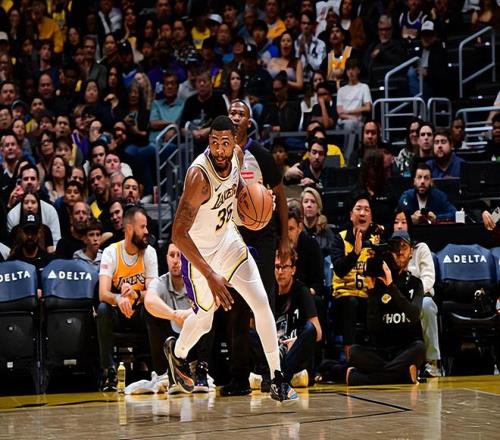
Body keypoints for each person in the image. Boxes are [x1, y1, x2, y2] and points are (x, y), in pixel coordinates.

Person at [166, 115, 297, 402]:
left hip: (227, 242)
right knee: (205, 321)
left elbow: (237, 197)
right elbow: (178, 234)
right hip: (199, 255)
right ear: (209, 142)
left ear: (235, 141)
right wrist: (210, 274)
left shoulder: (237, 156)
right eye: (214, 143)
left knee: (261, 302)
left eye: (225, 142)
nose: (220, 149)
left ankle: (277, 378)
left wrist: (261, 201)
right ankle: (177, 354)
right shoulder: (199, 177)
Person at [221, 100, 290, 396]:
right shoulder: (219, 157)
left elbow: (280, 196)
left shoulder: (260, 155)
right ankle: (238, 379)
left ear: (249, 122)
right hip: (233, 237)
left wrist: (284, 238)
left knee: (263, 304)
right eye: (232, 113)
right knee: (235, 308)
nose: (236, 117)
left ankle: (268, 374)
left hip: (262, 238)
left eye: (241, 114)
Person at [346, 230, 426, 385]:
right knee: (354, 352)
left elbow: (414, 315)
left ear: (411, 252)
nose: (400, 252)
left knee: (420, 348)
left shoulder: (415, 283)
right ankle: (403, 376)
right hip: (382, 351)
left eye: (404, 247)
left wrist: (391, 287)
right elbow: (373, 329)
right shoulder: (378, 284)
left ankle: (362, 379)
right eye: (396, 248)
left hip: (405, 348)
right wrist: (372, 292)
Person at [97, 207, 158, 391]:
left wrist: (136, 295)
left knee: (153, 308)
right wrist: (118, 298)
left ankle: (157, 370)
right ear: (130, 229)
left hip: (140, 311)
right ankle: (109, 372)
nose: (147, 231)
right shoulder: (111, 252)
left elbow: (153, 292)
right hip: (119, 313)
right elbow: (103, 293)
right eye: (143, 227)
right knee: (102, 309)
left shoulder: (149, 252)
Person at [144, 242, 214, 394]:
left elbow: (215, 302)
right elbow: (149, 300)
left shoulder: (197, 280)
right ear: (166, 258)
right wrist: (173, 314)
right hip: (171, 342)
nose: (176, 260)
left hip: (193, 341)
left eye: (180, 256)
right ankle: (164, 373)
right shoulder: (160, 282)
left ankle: (201, 370)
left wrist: (189, 314)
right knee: (150, 312)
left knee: (208, 313)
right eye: (172, 255)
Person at [393, 209, 441, 377]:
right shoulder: (389, 250)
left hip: (420, 298)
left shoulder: (421, 248)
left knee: (427, 305)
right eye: (396, 222)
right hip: (396, 299)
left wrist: (415, 297)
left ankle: (432, 363)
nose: (400, 226)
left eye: (403, 222)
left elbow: (428, 278)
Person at [332, 194, 380, 359]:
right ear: (351, 215)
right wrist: (355, 253)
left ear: (371, 217)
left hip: (368, 297)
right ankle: (350, 358)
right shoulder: (340, 238)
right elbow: (339, 270)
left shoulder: (376, 241)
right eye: (358, 209)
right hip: (343, 299)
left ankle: (378, 358)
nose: (362, 213)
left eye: (367, 210)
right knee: (351, 303)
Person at [273, 248, 322, 386]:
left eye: (285, 267)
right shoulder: (269, 292)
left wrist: (296, 342)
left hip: (293, 352)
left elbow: (318, 332)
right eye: (277, 267)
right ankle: (284, 377)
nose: (280, 272)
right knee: (248, 333)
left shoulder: (302, 291)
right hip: (273, 350)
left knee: (310, 329)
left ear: (293, 270)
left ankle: (280, 376)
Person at [336, 58, 372, 132]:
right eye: (348, 69)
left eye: (353, 69)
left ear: (358, 70)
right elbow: (340, 112)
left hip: (358, 121)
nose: (350, 72)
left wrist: (348, 111)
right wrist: (350, 116)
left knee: (350, 125)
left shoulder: (364, 87)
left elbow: (368, 107)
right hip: (343, 120)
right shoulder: (341, 90)